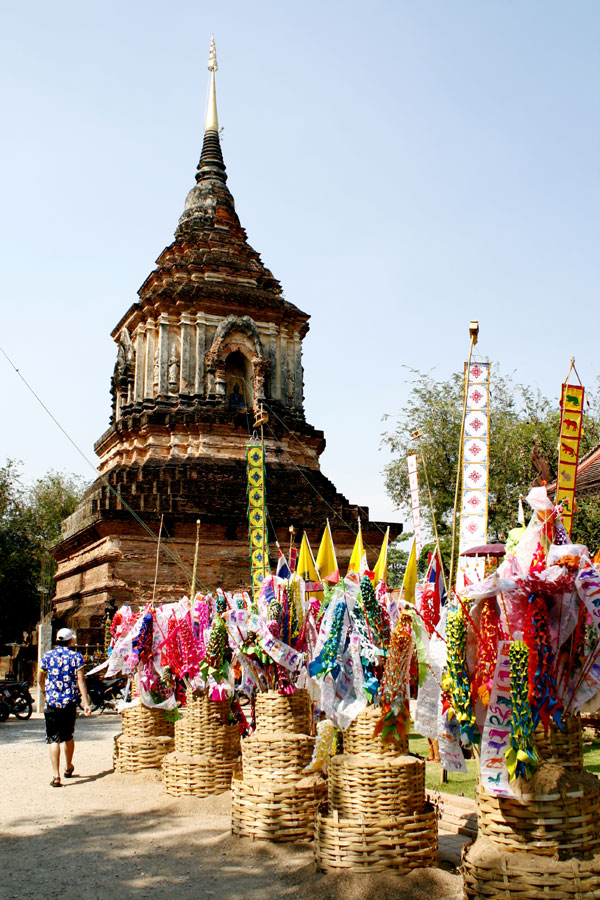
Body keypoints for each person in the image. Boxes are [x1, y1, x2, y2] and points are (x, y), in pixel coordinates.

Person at [39, 627, 91, 787]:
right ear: (70, 641)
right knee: (68, 736)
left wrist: (45, 691)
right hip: (69, 702)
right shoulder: (76, 657)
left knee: (53, 738)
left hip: (52, 702)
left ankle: (56, 776)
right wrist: (86, 702)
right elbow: (81, 680)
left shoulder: (47, 656)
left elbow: (40, 677)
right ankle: (68, 768)